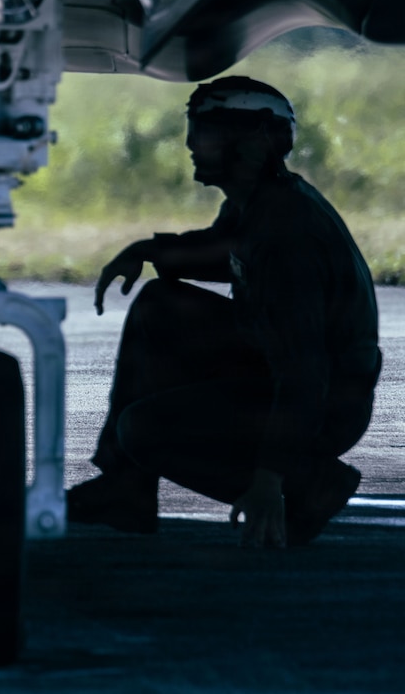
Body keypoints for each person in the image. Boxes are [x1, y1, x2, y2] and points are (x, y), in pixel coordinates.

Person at [67, 75, 382, 548]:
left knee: (144, 429)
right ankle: (124, 490)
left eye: (207, 132)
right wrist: (149, 250)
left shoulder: (286, 235)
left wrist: (268, 480)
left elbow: (304, 374)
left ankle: (307, 488)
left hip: (321, 404)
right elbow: (225, 252)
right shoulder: (258, 202)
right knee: (159, 304)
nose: (192, 144)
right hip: (282, 372)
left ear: (252, 140)